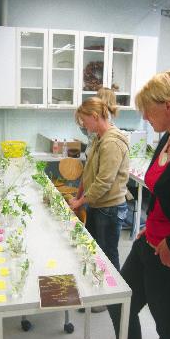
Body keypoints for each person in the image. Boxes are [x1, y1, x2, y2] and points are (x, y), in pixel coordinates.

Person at [113, 69, 170, 339]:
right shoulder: (168, 137)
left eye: (147, 109)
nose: (144, 117)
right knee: (120, 302)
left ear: (169, 105)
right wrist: (149, 223)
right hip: (148, 244)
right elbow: (164, 191)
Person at [69, 97, 129, 316]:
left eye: (84, 120)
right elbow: (88, 172)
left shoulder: (112, 142)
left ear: (95, 117)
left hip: (109, 207)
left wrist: (80, 201)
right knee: (94, 251)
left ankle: (112, 299)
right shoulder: (98, 138)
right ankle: (96, 291)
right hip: (96, 204)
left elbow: (104, 182)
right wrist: (78, 196)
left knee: (108, 253)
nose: (83, 125)